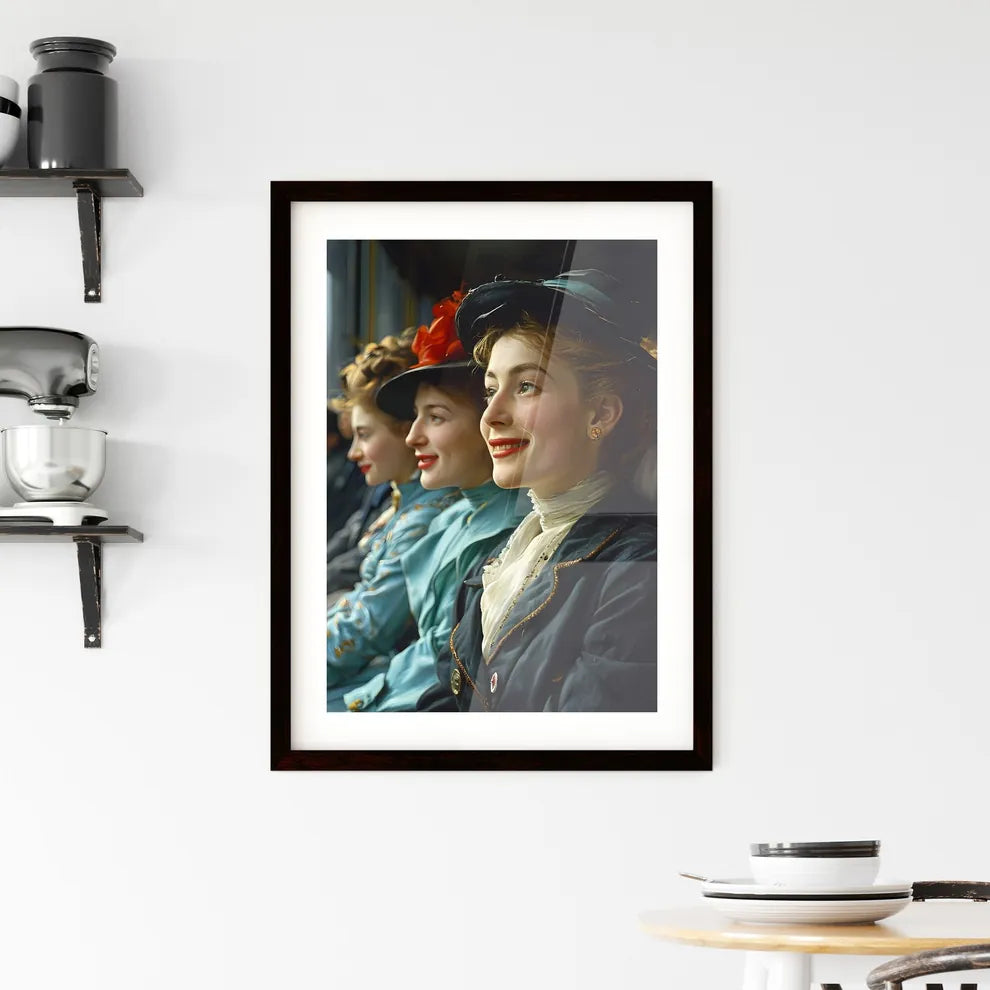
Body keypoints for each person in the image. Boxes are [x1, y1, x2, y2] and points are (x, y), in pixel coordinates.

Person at [435, 268, 658, 712]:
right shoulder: (496, 560)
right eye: (490, 390)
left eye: (526, 386)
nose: (491, 415)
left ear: (602, 413)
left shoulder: (638, 570)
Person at [329, 290, 525, 712]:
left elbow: (440, 672)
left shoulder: (511, 531)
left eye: (435, 417)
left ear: (489, 422)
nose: (413, 436)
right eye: (417, 416)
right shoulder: (451, 519)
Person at [326, 330, 460, 709]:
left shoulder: (424, 517)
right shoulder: (404, 507)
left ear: (405, 432)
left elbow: (366, 629)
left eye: (365, 435)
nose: (354, 452)